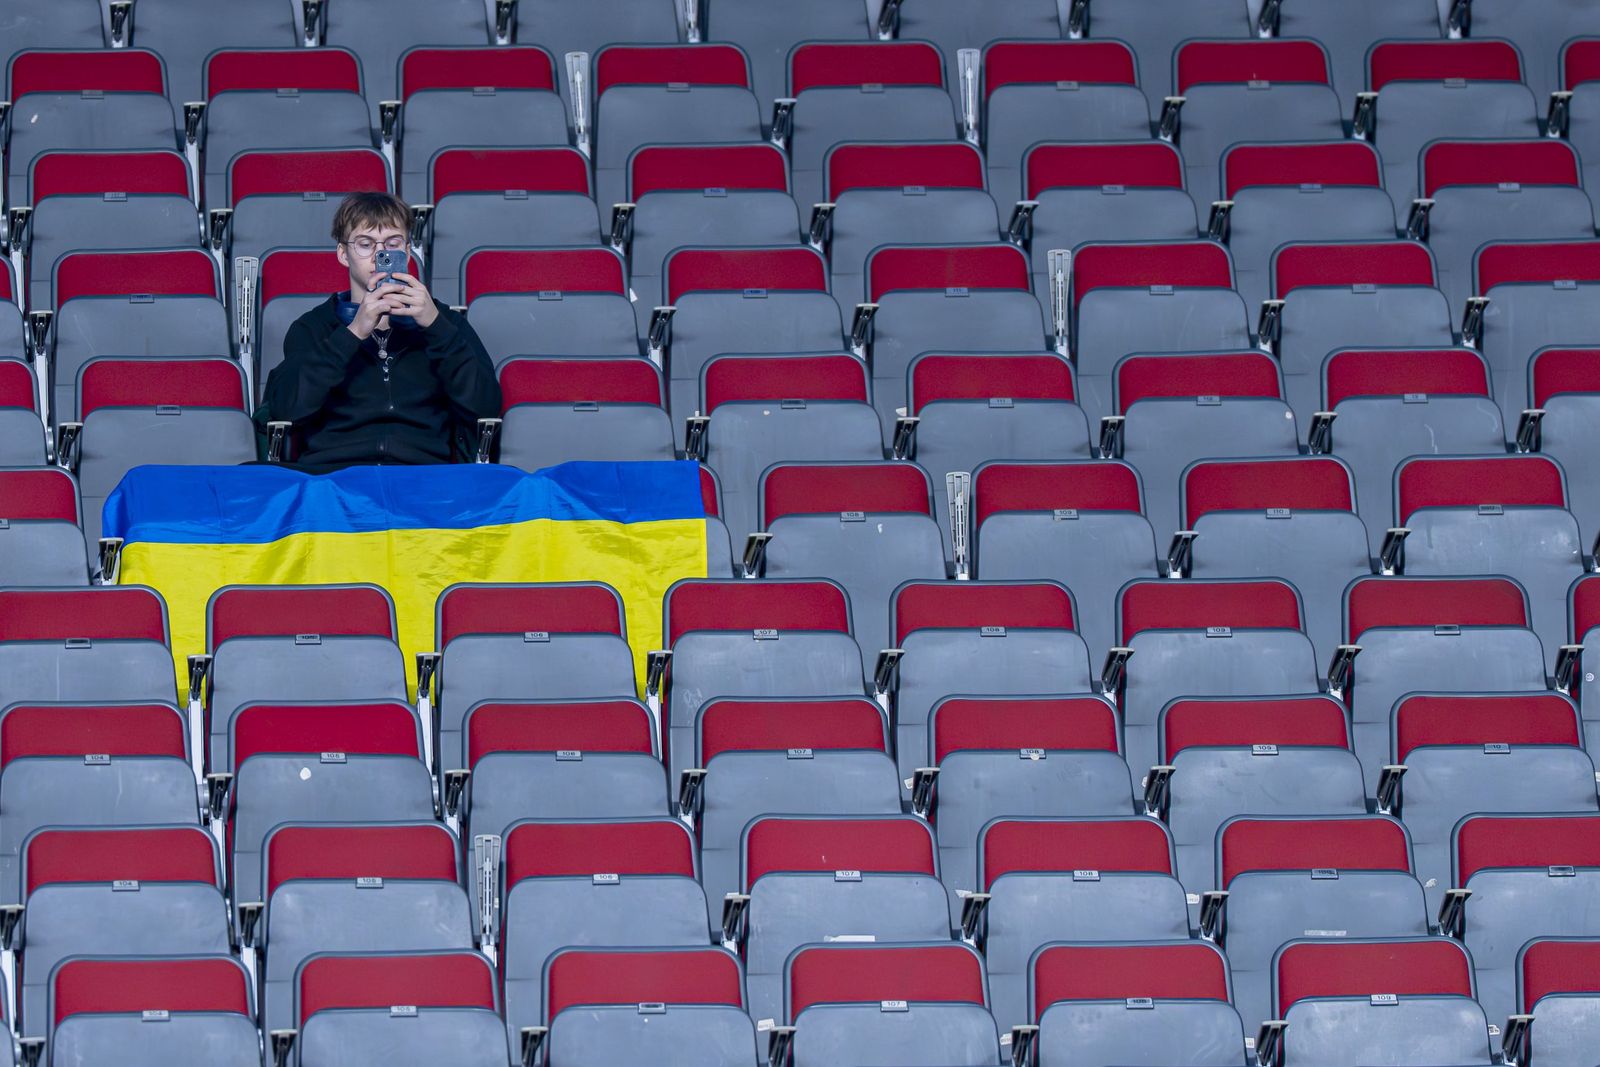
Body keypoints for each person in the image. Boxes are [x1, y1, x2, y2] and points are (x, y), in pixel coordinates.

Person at [262, 192, 501, 469]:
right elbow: (285, 409)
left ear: (408, 252)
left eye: (392, 243)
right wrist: (353, 333)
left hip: (421, 478)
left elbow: (486, 407)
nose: (379, 255)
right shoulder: (313, 327)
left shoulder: (445, 322)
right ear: (343, 253)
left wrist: (435, 326)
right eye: (365, 244)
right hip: (333, 477)